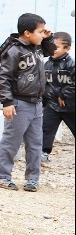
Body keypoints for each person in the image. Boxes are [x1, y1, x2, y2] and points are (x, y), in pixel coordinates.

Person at [0, 14, 56, 192]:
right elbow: (3, 78)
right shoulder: (14, 51)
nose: (43, 34)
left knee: (35, 143)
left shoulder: (38, 47)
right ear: (27, 33)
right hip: (19, 103)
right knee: (11, 141)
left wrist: (48, 38)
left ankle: (32, 179)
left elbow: (51, 51)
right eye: (40, 32)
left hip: (36, 104)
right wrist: (7, 102)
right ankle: (1, 176)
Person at [42, 32, 75, 162]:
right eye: (51, 46)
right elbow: (44, 85)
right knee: (46, 129)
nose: (53, 50)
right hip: (52, 105)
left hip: (70, 106)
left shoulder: (71, 64)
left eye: (56, 47)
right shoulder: (47, 64)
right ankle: (43, 153)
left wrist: (64, 94)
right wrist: (43, 103)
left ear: (67, 48)